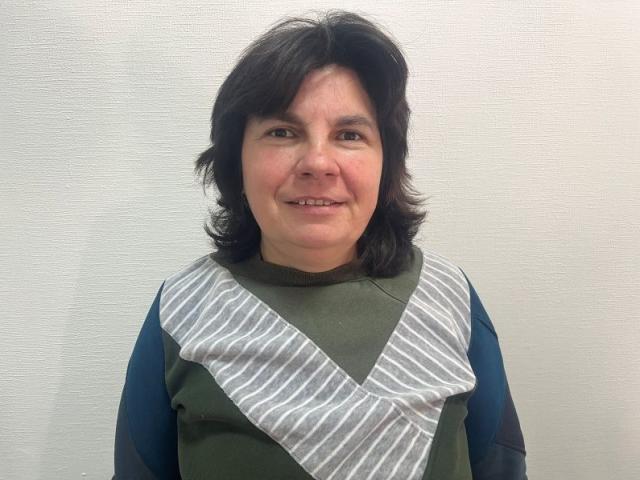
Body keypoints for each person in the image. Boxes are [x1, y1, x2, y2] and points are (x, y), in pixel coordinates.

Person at [114, 11, 527, 480]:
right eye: (282, 132)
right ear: (236, 160)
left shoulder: (447, 293)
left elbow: (503, 469)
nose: (317, 162)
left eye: (349, 135)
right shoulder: (182, 309)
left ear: (386, 163)